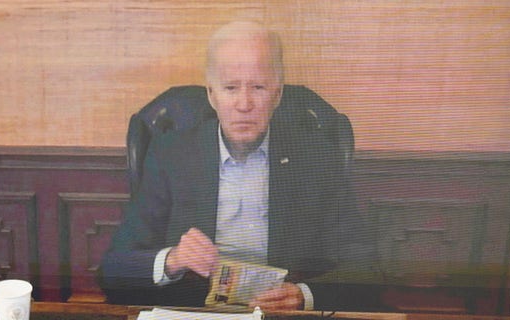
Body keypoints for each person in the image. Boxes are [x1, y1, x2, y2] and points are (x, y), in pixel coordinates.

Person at [100, 21, 377, 311]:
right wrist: (173, 259)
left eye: (258, 87)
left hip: (279, 313)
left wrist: (303, 295)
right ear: (211, 94)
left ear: (277, 95)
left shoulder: (316, 157)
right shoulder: (171, 154)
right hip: (194, 311)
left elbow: (367, 267)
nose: (244, 104)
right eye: (231, 88)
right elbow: (113, 269)